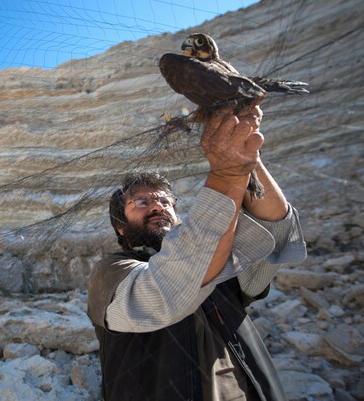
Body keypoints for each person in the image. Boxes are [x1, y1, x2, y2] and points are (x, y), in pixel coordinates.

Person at [87, 105, 307, 401]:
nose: (158, 206)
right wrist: (228, 171)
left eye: (166, 201)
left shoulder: (218, 262)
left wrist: (247, 158)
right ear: (121, 228)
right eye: (141, 202)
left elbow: (277, 232)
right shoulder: (111, 273)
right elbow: (168, 290)